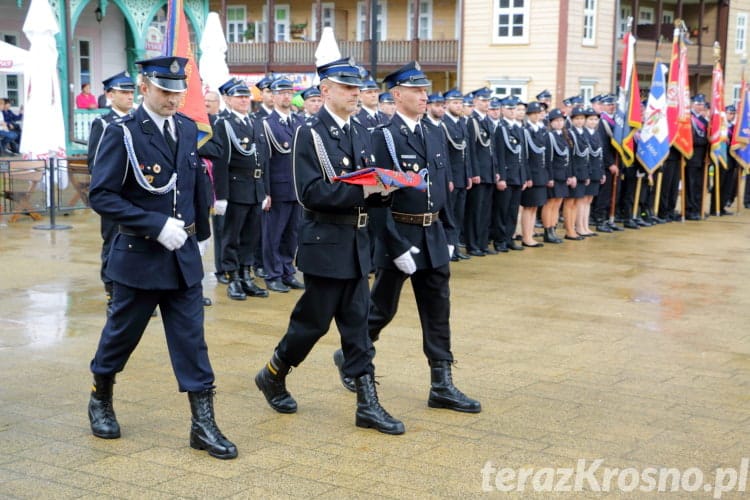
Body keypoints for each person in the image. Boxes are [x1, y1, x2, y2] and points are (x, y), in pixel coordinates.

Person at [86, 56, 236, 459]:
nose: (173, 99)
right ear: (144, 86)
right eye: (165, 91)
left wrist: (201, 233)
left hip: (182, 257)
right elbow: (101, 195)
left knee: (192, 342)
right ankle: (101, 395)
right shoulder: (124, 133)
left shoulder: (188, 129)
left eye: (178, 91)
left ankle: (202, 424)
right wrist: (153, 224)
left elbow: (192, 183)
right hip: (139, 256)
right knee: (122, 336)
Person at [254, 57, 404, 435]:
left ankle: (367, 404)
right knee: (312, 324)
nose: (356, 94)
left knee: (356, 325)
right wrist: (366, 190)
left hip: (357, 242)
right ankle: (273, 373)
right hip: (325, 243)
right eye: (348, 88)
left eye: (358, 88)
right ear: (325, 91)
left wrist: (384, 191)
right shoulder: (312, 133)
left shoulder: (359, 130)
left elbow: (365, 185)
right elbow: (310, 193)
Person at [331, 61, 481, 415]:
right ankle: (351, 354)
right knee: (381, 309)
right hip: (398, 233)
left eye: (425, 90)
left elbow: (446, 188)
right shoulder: (382, 136)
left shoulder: (434, 132)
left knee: (438, 311)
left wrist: (449, 232)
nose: (423, 96)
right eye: (415, 90)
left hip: (432, 233)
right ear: (396, 95)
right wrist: (395, 245)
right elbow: (379, 196)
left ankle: (441, 384)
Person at [213, 78, 269, 300]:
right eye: (239, 96)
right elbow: (221, 163)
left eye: (246, 96)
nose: (245, 100)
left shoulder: (255, 122)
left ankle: (247, 275)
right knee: (232, 237)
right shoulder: (224, 124)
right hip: (236, 189)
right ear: (227, 99)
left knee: (251, 236)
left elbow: (263, 160)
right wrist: (222, 196)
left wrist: (263, 191)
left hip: (255, 189)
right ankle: (233, 277)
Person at [87, 71, 136, 315]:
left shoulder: (137, 121)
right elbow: (95, 164)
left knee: (134, 245)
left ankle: (133, 293)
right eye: (123, 92)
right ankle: (112, 293)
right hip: (114, 197)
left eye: (131, 92)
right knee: (113, 243)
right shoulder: (104, 123)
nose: (129, 96)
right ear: (109, 94)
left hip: (136, 197)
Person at [261, 77, 305, 293]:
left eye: (289, 92)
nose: (287, 96)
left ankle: (287, 271)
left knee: (292, 234)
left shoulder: (299, 122)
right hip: (277, 189)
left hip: (296, 189)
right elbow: (264, 161)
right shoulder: (267, 124)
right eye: (282, 93)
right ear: (274, 97)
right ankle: (273, 274)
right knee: (273, 234)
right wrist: (265, 192)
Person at [440, 88, 472, 260]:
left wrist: (468, 174)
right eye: (455, 102)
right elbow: (445, 155)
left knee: (458, 215)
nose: (459, 106)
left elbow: (465, 153)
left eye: (460, 102)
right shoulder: (444, 124)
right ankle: (448, 248)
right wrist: (449, 178)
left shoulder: (461, 123)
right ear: (446, 105)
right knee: (449, 215)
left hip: (462, 177)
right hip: (451, 178)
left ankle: (456, 247)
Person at [464, 87, 496, 256]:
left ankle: (483, 243)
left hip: (489, 172)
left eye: (488, 100)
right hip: (479, 174)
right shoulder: (471, 121)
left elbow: (492, 149)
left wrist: (495, 170)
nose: (486, 103)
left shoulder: (488, 121)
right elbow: (471, 150)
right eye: (483, 100)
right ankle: (472, 244)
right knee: (475, 210)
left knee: (485, 211)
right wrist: (474, 172)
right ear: (475, 101)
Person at [519, 101, 548, 247]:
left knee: (535, 207)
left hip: (541, 173)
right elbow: (524, 156)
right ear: (528, 115)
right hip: (532, 174)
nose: (537, 116)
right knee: (528, 206)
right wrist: (528, 176)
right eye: (534, 114)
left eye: (539, 113)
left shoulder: (540, 130)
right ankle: (526, 236)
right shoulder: (526, 131)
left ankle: (530, 234)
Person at [542, 108, 571, 243]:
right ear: (551, 122)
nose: (559, 123)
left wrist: (569, 175)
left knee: (557, 203)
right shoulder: (549, 136)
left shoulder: (563, 136)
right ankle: (547, 231)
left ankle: (553, 228)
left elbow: (567, 158)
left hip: (563, 174)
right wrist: (550, 177)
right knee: (550, 203)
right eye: (556, 121)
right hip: (554, 174)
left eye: (561, 120)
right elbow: (548, 158)